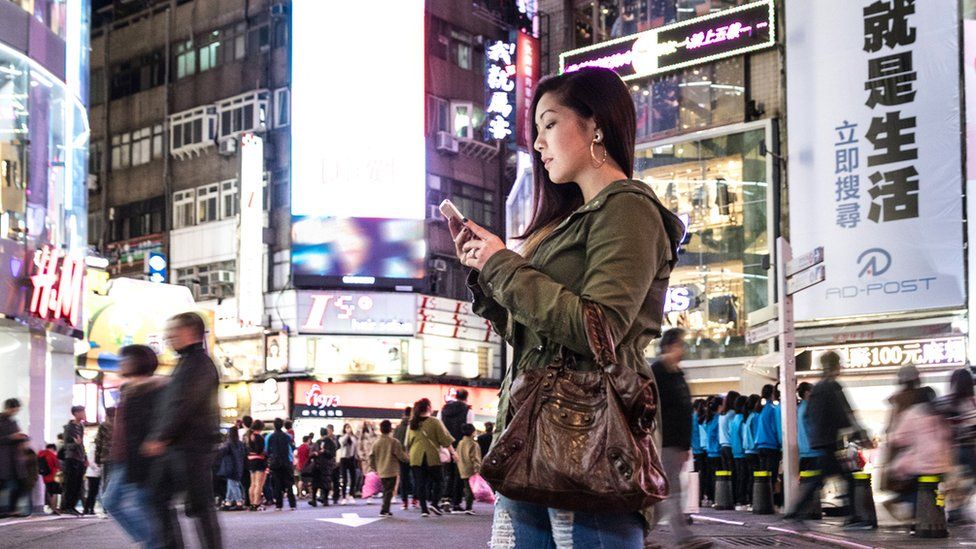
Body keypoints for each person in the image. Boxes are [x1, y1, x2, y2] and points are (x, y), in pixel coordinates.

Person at [457, 67, 683, 546]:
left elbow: (596, 328)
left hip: (589, 447)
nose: (538, 144)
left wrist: (504, 265)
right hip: (532, 437)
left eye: (549, 124)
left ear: (595, 125)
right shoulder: (567, 222)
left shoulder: (627, 207)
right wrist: (488, 276)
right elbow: (539, 337)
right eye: (535, 131)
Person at [141, 312, 222, 549]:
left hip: (191, 446)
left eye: (173, 333)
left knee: (199, 505)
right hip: (180, 446)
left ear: (189, 333)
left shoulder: (198, 364)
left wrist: (161, 437)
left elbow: (183, 403)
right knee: (161, 498)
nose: (169, 338)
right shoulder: (188, 363)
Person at [785, 351, 870, 528]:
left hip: (821, 441)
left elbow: (809, 415)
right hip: (829, 441)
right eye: (839, 363)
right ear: (834, 365)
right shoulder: (832, 386)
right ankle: (853, 516)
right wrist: (858, 434)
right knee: (846, 479)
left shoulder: (817, 388)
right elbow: (845, 412)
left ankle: (796, 511)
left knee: (822, 479)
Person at [647, 328, 712, 548]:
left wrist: (686, 445)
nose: (682, 350)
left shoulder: (677, 374)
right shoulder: (657, 372)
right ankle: (683, 539)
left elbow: (684, 411)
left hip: (677, 443)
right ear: (668, 346)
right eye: (680, 345)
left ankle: (641, 535)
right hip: (662, 441)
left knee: (662, 494)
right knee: (672, 491)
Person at [102, 344, 168, 545]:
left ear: (137, 362)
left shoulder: (154, 389)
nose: (120, 364)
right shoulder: (128, 390)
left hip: (142, 458)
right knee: (111, 502)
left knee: (138, 503)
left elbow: (159, 423)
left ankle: (154, 543)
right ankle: (153, 542)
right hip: (122, 458)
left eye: (124, 360)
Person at [886, 386, 952, 521]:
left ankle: (905, 504)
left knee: (912, 486)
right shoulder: (941, 413)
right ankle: (937, 513)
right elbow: (948, 435)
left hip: (921, 467)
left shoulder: (913, 413)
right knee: (938, 492)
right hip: (943, 465)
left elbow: (899, 438)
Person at [936, 368, 976, 523]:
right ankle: (957, 509)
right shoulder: (972, 403)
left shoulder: (943, 402)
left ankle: (950, 509)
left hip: (947, 450)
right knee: (966, 481)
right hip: (968, 449)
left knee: (950, 482)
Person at [405, 398, 455, 517]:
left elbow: (407, 443)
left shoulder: (412, 423)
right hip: (431, 456)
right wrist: (453, 453)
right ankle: (434, 503)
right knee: (439, 480)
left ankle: (424, 509)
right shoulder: (434, 422)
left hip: (415, 457)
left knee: (420, 483)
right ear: (428, 407)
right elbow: (445, 439)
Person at [439, 389, 474, 513]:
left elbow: (440, 428)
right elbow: (469, 428)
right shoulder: (468, 410)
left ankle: (445, 498)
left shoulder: (443, 410)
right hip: (460, 445)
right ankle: (456, 502)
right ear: (466, 397)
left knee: (446, 473)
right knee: (459, 474)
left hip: (445, 445)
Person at [368, 419, 408, 517]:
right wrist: (409, 459)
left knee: (386, 490)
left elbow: (371, 456)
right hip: (392, 470)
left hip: (381, 470)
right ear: (390, 429)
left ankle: (386, 508)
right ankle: (384, 509)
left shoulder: (376, 442)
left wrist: (374, 468)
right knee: (389, 491)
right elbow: (401, 456)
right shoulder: (394, 442)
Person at [0, 398, 29, 518]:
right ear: (7, 408)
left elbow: (18, 436)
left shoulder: (13, 422)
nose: (15, 412)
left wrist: (22, 438)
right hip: (3, 458)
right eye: (14, 409)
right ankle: (4, 510)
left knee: (20, 483)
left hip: (15, 460)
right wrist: (11, 437)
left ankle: (12, 509)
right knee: (4, 484)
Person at [754, 384, 782, 497]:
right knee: (772, 476)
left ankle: (762, 500)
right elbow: (776, 428)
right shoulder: (772, 409)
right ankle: (771, 500)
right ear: (772, 394)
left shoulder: (758, 410)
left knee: (763, 476)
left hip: (760, 446)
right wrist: (781, 443)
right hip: (771, 445)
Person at [60, 405, 87, 515]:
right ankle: (67, 506)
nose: (84, 414)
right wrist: (75, 445)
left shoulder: (81, 426)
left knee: (78, 484)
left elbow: (81, 443)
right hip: (71, 458)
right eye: (82, 412)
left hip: (79, 458)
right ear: (76, 413)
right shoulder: (69, 427)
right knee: (70, 483)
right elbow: (66, 445)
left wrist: (85, 457)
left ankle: (72, 506)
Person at [267, 418, 296, 511]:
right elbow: (292, 448)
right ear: (282, 425)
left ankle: (279, 505)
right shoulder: (287, 436)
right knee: (289, 484)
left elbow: (268, 450)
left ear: (274, 425)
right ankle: (292, 504)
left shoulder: (270, 437)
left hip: (275, 463)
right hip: (286, 462)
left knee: (277, 484)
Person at [455, 423, 482, 515]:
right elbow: (475, 458)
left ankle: (464, 505)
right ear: (473, 432)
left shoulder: (460, 443)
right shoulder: (473, 444)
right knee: (469, 489)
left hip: (461, 467)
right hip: (471, 468)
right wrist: (478, 469)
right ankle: (468, 507)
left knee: (466, 487)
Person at [216, 426, 245, 511]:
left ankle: (239, 502)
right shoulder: (240, 443)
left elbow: (221, 452)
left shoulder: (228, 444)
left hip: (229, 467)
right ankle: (228, 501)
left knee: (233, 485)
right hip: (239, 466)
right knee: (231, 484)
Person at [796, 382, 823, 474]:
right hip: (813, 451)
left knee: (806, 481)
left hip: (803, 452)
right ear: (807, 393)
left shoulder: (799, 408)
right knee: (814, 482)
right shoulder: (810, 408)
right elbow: (817, 428)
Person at [393, 407, 416, 509]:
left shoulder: (398, 428)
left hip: (402, 457)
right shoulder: (415, 426)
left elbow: (394, 442)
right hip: (414, 455)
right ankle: (415, 500)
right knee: (416, 478)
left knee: (403, 478)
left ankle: (404, 501)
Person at [308, 428, 337, 507]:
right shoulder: (330, 442)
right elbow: (333, 454)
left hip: (319, 465)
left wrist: (319, 452)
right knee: (325, 482)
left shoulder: (317, 442)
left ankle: (316, 499)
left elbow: (310, 454)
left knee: (317, 483)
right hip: (325, 465)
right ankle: (325, 499)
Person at [742, 394, 761, 509]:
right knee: (756, 477)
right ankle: (756, 500)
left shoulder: (747, 417)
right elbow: (757, 433)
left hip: (747, 451)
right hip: (754, 450)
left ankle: (750, 500)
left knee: (750, 476)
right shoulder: (755, 417)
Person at [729, 395, 747, 511]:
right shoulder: (741, 419)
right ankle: (742, 499)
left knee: (738, 476)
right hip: (742, 450)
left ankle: (737, 499)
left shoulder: (734, 418)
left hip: (735, 450)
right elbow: (743, 436)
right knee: (743, 476)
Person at [245, 420, 268, 511]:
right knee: (259, 484)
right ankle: (256, 503)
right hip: (259, 461)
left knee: (253, 484)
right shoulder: (259, 437)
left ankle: (251, 503)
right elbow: (260, 450)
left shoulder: (248, 436)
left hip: (250, 461)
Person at [338, 423, 359, 505]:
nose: (348, 429)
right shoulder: (341, 437)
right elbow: (342, 443)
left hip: (352, 458)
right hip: (344, 459)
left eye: (349, 427)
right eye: (346, 428)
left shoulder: (353, 437)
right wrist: (347, 434)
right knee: (344, 478)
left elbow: (356, 444)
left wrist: (351, 435)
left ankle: (351, 495)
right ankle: (343, 496)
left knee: (353, 478)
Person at [356, 422, 377, 499]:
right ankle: (367, 493)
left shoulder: (374, 437)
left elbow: (374, 443)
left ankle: (371, 492)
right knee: (366, 476)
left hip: (372, 459)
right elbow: (359, 448)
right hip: (365, 459)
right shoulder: (361, 438)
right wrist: (362, 456)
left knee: (372, 475)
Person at [37, 443, 60, 514]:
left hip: (45, 477)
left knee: (49, 492)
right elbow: (57, 465)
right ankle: (54, 508)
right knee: (55, 492)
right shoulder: (52, 455)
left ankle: (51, 507)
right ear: (53, 449)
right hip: (54, 476)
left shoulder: (40, 454)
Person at [82, 443, 102, 515]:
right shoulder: (93, 450)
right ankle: (87, 509)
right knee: (91, 492)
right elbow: (91, 462)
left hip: (96, 474)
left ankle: (90, 509)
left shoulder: (97, 450)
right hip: (92, 474)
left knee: (94, 492)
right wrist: (98, 469)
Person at [296, 435, 312, 499]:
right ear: (308, 440)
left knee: (301, 480)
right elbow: (309, 456)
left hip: (300, 466)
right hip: (307, 466)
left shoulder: (299, 447)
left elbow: (297, 456)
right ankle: (311, 494)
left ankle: (300, 494)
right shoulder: (308, 447)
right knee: (310, 480)